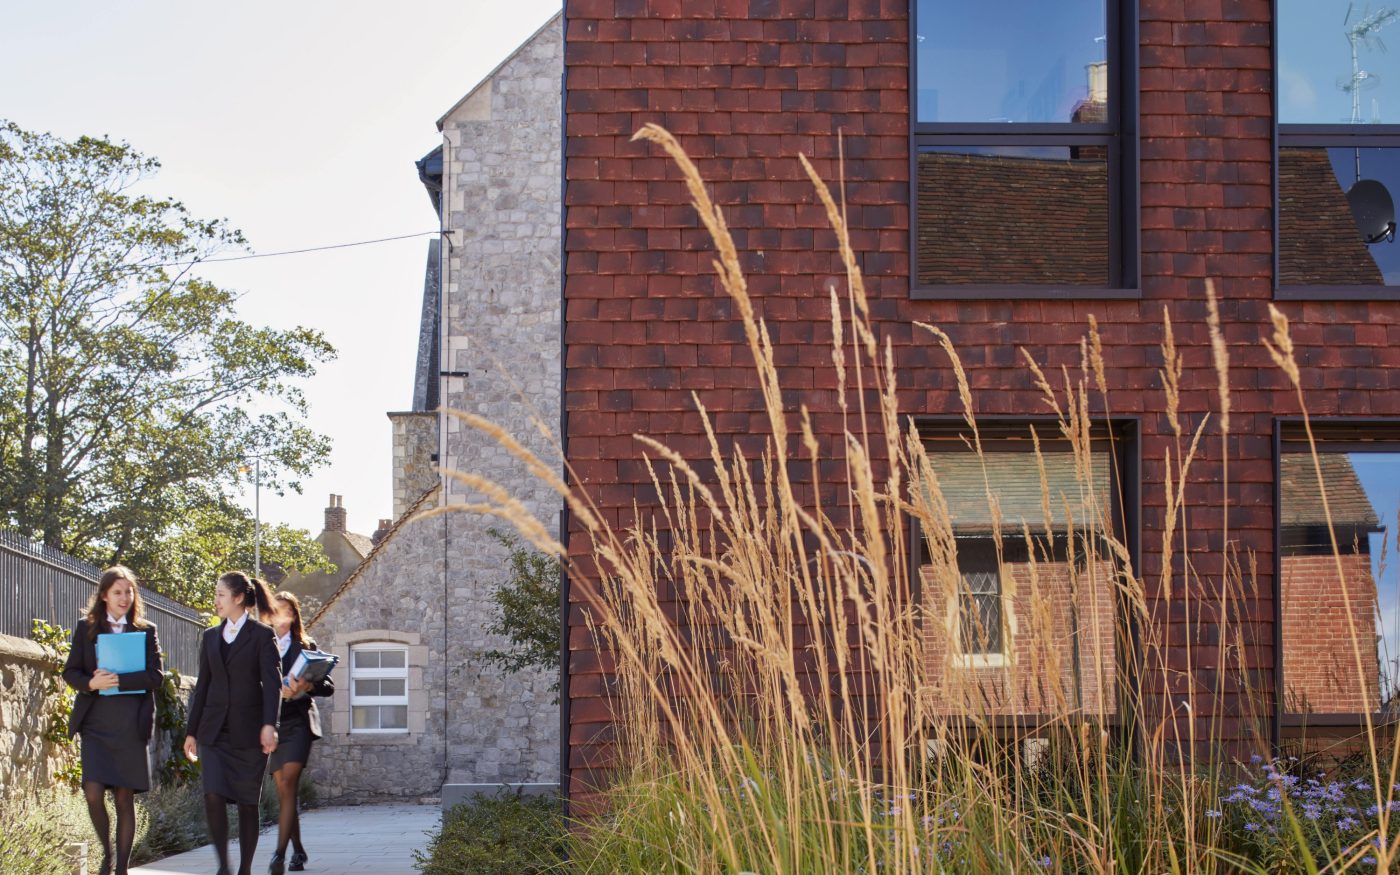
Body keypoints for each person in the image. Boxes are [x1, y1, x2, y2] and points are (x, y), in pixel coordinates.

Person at [62, 566, 163, 875]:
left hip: (131, 723)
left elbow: (155, 677)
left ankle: (121, 868)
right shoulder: (86, 628)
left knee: (123, 797)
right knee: (92, 792)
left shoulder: (146, 630)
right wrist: (92, 683)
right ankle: (107, 855)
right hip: (96, 723)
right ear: (104, 595)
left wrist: (118, 680)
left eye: (129, 592)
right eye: (118, 592)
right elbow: (71, 672)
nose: (124, 597)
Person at [183, 572, 281, 875]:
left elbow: (272, 684)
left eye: (221, 594)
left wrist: (269, 724)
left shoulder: (263, 636)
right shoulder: (211, 636)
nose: (216, 601)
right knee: (212, 794)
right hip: (213, 731)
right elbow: (203, 686)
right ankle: (224, 866)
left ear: (238, 598)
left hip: (249, 733)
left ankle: (245, 869)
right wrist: (191, 731)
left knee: (247, 802)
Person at [267, 591, 332, 874]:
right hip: (272, 725)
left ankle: (279, 855)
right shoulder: (260, 644)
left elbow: (327, 686)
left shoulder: (306, 645)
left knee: (288, 784)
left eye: (281, 610)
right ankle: (299, 851)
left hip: (299, 723)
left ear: (292, 615)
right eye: (271, 610)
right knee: (283, 791)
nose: (274, 615)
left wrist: (307, 687)